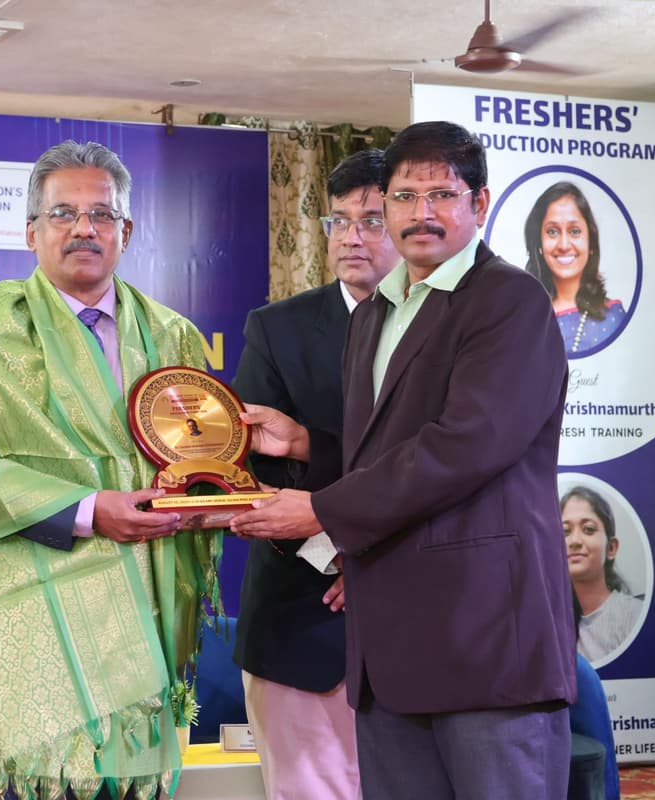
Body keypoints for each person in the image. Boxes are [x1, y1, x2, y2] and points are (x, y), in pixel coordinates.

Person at [231, 121, 577, 799]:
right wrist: (308, 445)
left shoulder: (509, 301)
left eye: (442, 194)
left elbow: (467, 444)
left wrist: (320, 509)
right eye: (404, 195)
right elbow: (382, 452)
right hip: (389, 648)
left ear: (479, 203)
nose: (422, 213)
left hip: (484, 643)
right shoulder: (375, 316)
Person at [0, 140, 220, 800]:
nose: (84, 228)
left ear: (126, 231)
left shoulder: (173, 337)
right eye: (63, 214)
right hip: (10, 632)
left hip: (143, 621)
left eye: (102, 214)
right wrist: (88, 509)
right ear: (31, 232)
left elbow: (202, 462)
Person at [231, 149, 399, 800]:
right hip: (302, 620)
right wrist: (338, 549)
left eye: (372, 219)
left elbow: (443, 466)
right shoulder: (278, 330)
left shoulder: (448, 330)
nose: (352, 237)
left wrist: (383, 564)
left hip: (415, 624)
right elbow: (251, 467)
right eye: (338, 222)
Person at [525, 181, 627, 354]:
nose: (564, 245)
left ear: (591, 242)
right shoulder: (523, 318)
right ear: (539, 244)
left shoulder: (613, 318)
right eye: (552, 231)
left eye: (574, 231)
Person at [562, 485, 644, 663]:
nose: (574, 541)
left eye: (588, 529)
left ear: (611, 548)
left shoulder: (632, 615)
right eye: (565, 532)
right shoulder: (550, 621)